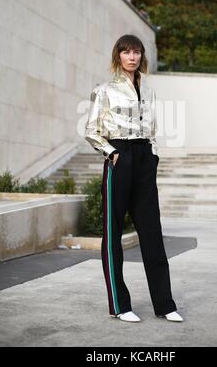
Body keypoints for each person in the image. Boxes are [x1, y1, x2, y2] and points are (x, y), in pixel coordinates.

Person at [84, 34, 183, 323]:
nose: (132, 57)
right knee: (113, 233)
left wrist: (153, 155)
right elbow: (91, 130)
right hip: (119, 157)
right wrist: (112, 153)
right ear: (118, 55)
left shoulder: (149, 92)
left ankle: (165, 304)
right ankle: (119, 304)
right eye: (127, 52)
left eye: (137, 52)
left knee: (152, 232)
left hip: (144, 159)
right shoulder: (103, 90)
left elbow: (152, 129)